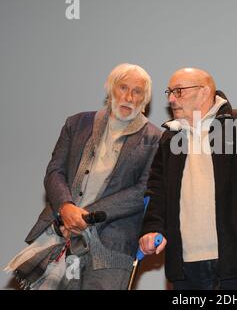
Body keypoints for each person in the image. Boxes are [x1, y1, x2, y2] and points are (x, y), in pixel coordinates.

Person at [5, 63, 161, 289]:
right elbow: (54, 171)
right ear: (110, 90)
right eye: (123, 88)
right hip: (61, 233)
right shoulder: (77, 123)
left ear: (144, 100)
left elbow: (143, 190)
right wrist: (66, 208)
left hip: (112, 247)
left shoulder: (155, 138)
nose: (128, 96)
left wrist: (85, 217)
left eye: (137, 92)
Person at [139, 67, 237, 290]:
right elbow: (156, 190)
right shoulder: (170, 137)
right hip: (185, 268)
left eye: (178, 91)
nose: (170, 99)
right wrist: (152, 227)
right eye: (169, 92)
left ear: (205, 92)